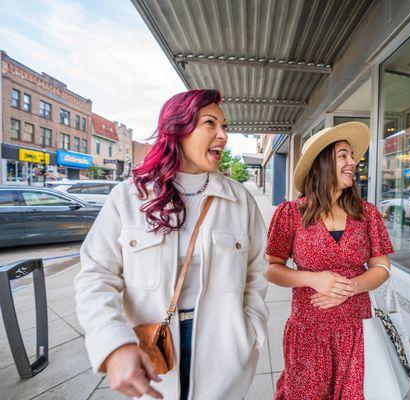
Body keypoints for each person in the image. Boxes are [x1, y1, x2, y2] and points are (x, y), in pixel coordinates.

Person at [74, 89, 268, 400]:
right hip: (154, 356)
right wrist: (114, 343)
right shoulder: (129, 198)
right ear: (178, 130)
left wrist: (250, 330)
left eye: (225, 126)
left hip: (226, 355)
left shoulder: (239, 200)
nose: (223, 136)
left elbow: (257, 271)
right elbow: (96, 276)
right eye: (210, 123)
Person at [265, 122, 394, 399]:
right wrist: (313, 279)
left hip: (357, 332)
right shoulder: (290, 214)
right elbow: (273, 269)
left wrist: (351, 286)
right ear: (323, 162)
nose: (352, 162)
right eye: (343, 156)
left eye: (352, 156)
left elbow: (382, 268)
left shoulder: (367, 214)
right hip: (308, 335)